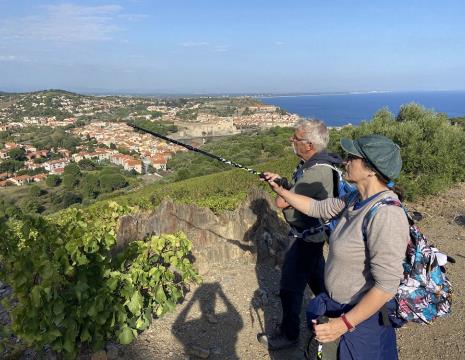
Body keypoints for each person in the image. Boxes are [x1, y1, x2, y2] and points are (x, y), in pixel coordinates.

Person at [264, 134, 409, 359]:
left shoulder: (386, 214)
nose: (345, 161)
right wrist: (282, 191)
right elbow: (318, 208)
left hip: (362, 323)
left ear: (371, 169)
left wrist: (343, 324)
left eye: (352, 157)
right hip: (341, 310)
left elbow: (386, 286)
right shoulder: (354, 199)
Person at [258, 119, 343, 350]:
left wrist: (279, 189)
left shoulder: (315, 172)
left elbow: (281, 202)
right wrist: (284, 183)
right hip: (314, 236)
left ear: (309, 145)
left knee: (289, 288)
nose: (291, 140)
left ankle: (289, 334)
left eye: (295, 138)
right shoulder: (318, 164)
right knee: (320, 282)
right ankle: (338, 318)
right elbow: (300, 193)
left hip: (305, 239)